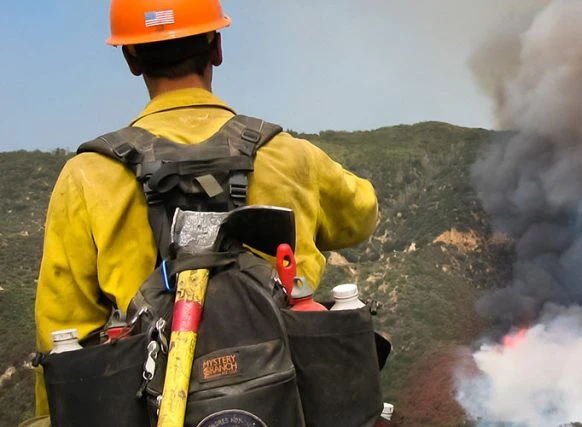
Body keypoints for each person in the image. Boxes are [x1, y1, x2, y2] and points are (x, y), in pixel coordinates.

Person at [25, 0, 378, 424]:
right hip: (290, 404)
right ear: (217, 48)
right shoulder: (287, 154)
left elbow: (64, 330)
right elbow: (361, 216)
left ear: (130, 57)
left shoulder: (86, 176)